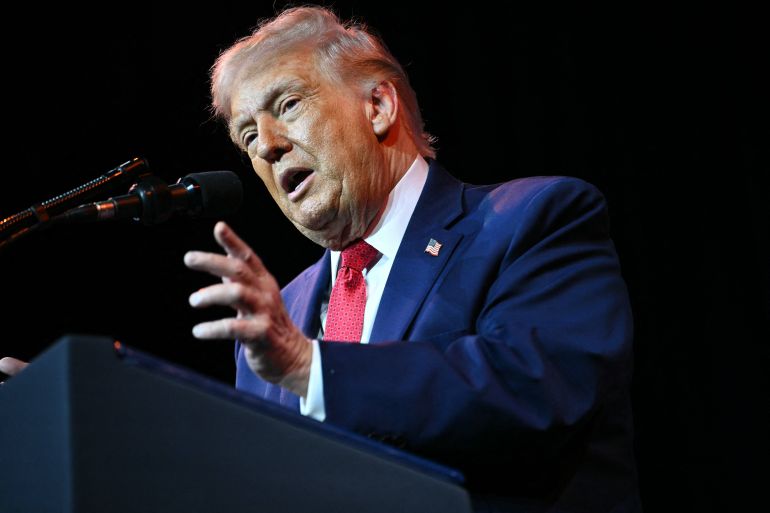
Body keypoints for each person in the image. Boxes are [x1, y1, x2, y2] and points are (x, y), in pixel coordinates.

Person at [3, 6, 642, 512]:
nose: (271, 148)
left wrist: (312, 368)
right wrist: (119, 447)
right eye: (248, 137)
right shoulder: (283, 312)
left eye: (287, 106)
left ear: (379, 105)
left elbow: (537, 390)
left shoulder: (531, 220)